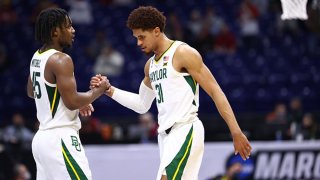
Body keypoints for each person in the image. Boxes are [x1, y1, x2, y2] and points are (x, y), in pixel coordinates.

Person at [91, 6, 251, 180]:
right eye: (136, 38)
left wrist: (236, 131)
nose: (138, 43)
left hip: (185, 129)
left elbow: (215, 91)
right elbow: (142, 105)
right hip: (165, 137)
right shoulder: (150, 66)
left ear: (157, 31)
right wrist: (109, 90)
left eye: (142, 37)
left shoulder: (183, 53)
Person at [27, 8, 110, 180]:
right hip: (60, 139)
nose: (73, 30)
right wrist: (99, 90)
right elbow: (72, 101)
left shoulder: (37, 56)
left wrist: (75, 100)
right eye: (68, 26)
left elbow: (32, 91)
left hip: (41, 140)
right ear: (55, 31)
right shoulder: (61, 59)